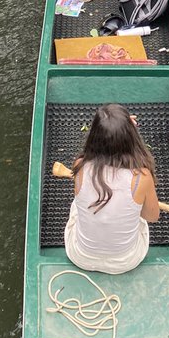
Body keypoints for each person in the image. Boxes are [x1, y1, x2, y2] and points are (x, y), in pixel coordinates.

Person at [64, 103, 160, 274]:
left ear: (93, 136)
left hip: (81, 257)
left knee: (77, 204)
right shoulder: (142, 178)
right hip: (126, 261)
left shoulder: (79, 166)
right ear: (131, 139)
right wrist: (126, 131)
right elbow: (151, 217)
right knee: (138, 216)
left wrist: (115, 131)